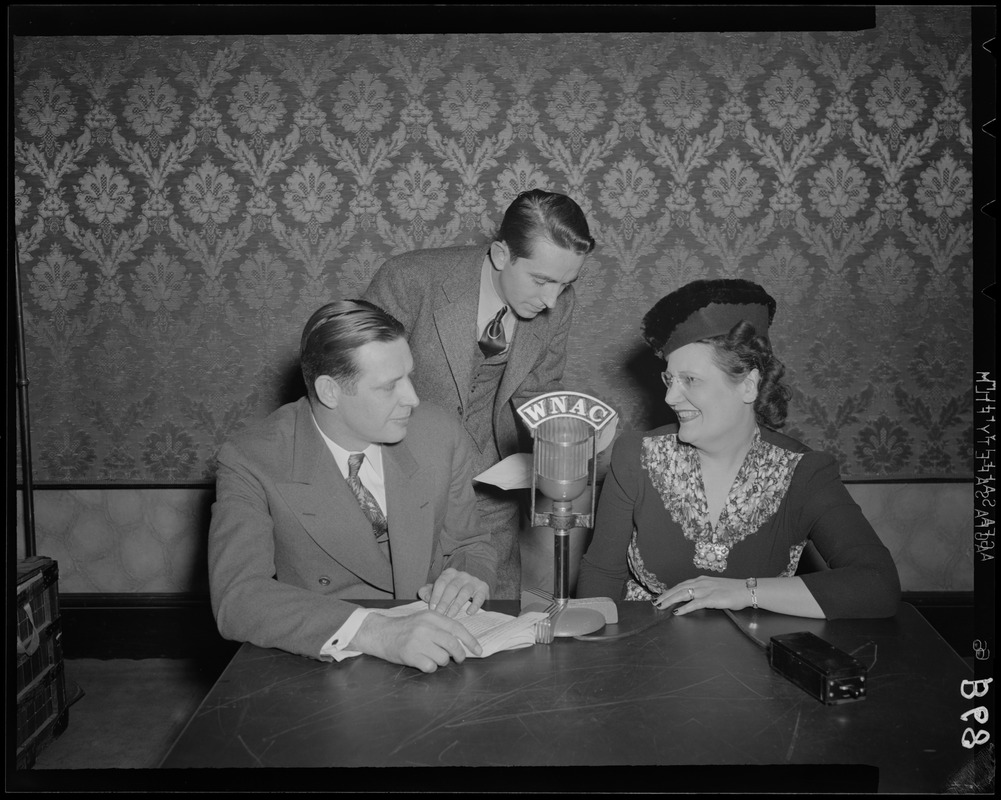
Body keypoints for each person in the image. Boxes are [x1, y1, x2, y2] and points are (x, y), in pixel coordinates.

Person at [576, 279, 900, 619]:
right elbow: (601, 578)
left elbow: (877, 585)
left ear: (748, 385)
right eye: (669, 380)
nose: (671, 397)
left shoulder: (805, 473)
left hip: (753, 661)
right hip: (644, 650)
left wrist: (744, 591)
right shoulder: (636, 456)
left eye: (690, 380)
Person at [208, 299, 498, 673]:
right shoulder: (252, 459)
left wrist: (467, 575)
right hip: (324, 658)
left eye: (409, 376)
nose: (412, 398)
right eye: (389, 386)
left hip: (434, 651)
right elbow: (238, 598)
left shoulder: (439, 434)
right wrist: (376, 631)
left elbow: (470, 544)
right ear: (330, 391)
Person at [363, 189, 596, 599]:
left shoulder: (558, 301)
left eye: (566, 283)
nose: (551, 301)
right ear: (501, 254)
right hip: (404, 482)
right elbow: (362, 382)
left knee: (493, 617)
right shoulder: (410, 279)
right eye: (542, 281)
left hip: (491, 489)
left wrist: (564, 438)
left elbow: (538, 390)